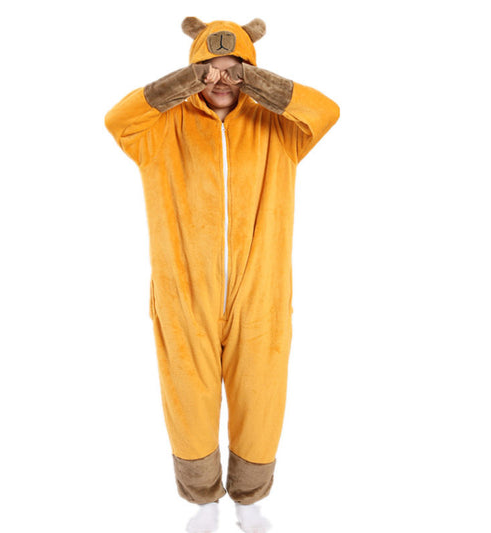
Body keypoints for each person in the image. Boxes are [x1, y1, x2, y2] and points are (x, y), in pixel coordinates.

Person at [104, 16, 340, 533]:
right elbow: (118, 120)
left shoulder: (279, 129)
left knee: (261, 394)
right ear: (194, 71)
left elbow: (326, 112)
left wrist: (256, 83)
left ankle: (250, 500)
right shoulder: (161, 130)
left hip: (260, 293)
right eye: (210, 69)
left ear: (251, 70)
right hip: (184, 291)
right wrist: (184, 83)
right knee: (188, 396)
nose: (222, 80)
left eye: (234, 70)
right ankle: (203, 500)